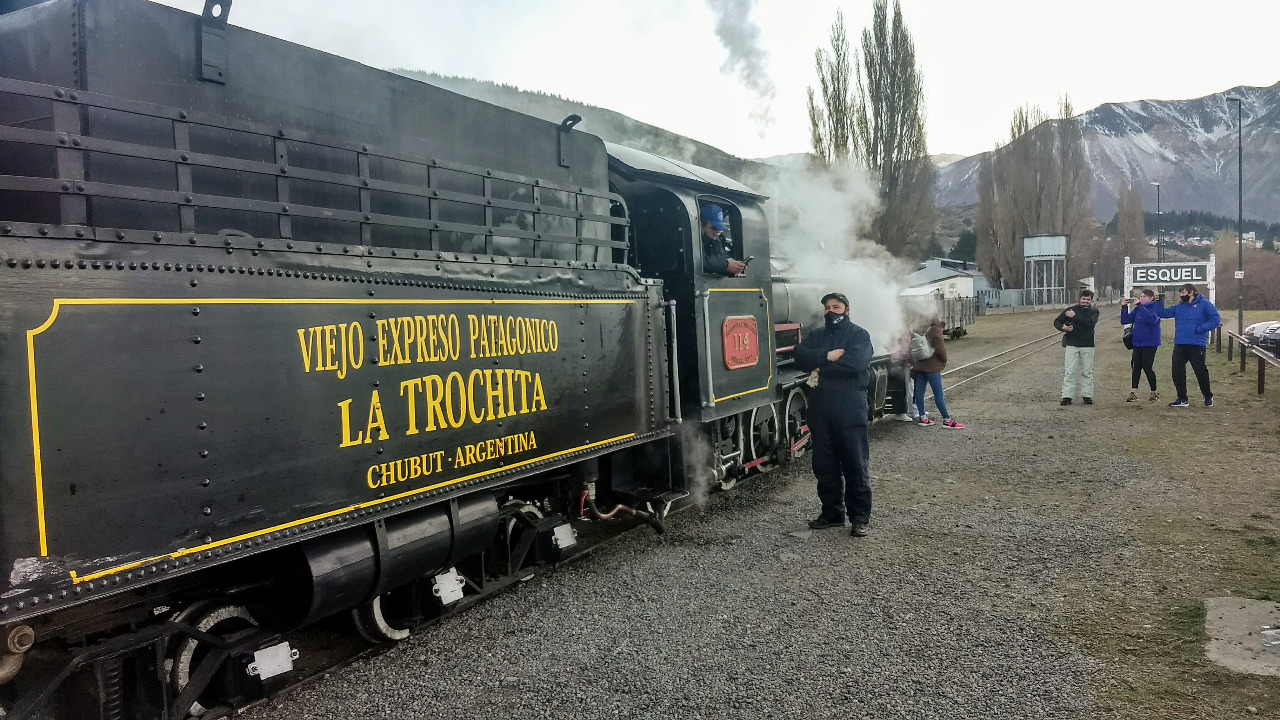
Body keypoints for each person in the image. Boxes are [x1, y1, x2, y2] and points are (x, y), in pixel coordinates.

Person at [792, 292, 874, 537]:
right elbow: (799, 356)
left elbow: (856, 364)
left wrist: (819, 366)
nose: (830, 312)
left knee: (854, 463)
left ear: (847, 310)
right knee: (824, 465)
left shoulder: (859, 335)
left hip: (850, 407)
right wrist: (827, 357)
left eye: (836, 307)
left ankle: (859, 518)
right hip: (820, 408)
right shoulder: (816, 335)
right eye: (827, 307)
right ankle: (832, 513)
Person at [1155, 282, 1221, 408]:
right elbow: (1163, 313)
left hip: (1196, 344)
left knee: (1200, 372)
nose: (1181, 295)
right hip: (1180, 344)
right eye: (1180, 292)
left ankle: (1208, 396)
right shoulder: (1179, 307)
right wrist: (1159, 301)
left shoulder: (1204, 304)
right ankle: (1182, 398)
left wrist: (1200, 329)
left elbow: (1215, 320)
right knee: (1177, 372)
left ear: (1192, 293)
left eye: (1183, 292)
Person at [910, 317, 965, 428]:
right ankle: (947, 420)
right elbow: (940, 349)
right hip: (932, 366)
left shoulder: (917, 327)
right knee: (938, 393)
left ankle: (923, 418)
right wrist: (944, 360)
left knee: (919, 392)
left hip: (919, 365)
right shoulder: (935, 330)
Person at [1053, 289, 1099, 405]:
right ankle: (1067, 396)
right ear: (1079, 299)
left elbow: (1090, 324)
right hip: (1071, 344)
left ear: (1091, 301)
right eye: (1084, 299)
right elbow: (1057, 321)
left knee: (1087, 372)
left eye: (1088, 299)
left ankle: (1087, 395)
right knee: (1070, 371)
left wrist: (1075, 316)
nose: (1085, 301)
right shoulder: (1070, 310)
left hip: (1087, 345)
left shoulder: (1094, 312)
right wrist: (1063, 327)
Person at [1119, 288, 1162, 402]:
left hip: (1150, 342)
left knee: (1147, 366)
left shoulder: (1155, 308)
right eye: (1141, 296)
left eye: (1144, 297)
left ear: (1151, 298)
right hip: (1137, 342)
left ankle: (1153, 392)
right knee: (1136, 366)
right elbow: (1125, 320)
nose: (1141, 298)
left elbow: (1151, 320)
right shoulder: (1138, 309)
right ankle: (1133, 392)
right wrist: (1124, 307)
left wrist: (1139, 306)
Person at [699, 205, 746, 276]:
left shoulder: (716, 241)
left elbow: (722, 255)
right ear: (701, 226)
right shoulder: (691, 240)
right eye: (713, 228)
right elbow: (699, 262)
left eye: (719, 229)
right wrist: (726, 265)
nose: (717, 233)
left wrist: (735, 265)